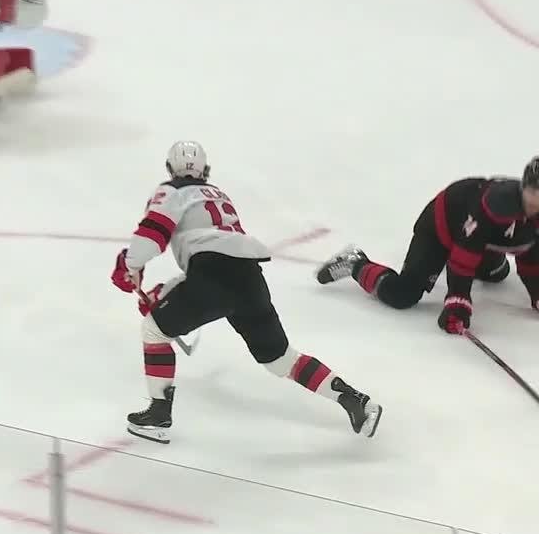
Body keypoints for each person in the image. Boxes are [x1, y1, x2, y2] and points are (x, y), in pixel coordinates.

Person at [111, 141, 383, 444]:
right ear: (205, 169)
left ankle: (158, 415)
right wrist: (164, 292)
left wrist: (130, 264)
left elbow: (154, 236)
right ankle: (356, 400)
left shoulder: (171, 191)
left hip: (211, 275)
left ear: (169, 168)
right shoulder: (218, 195)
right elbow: (219, 255)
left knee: (155, 330)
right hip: (249, 277)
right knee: (281, 359)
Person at [315, 156, 539, 334]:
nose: (537, 200)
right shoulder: (496, 205)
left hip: (481, 240)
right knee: (403, 295)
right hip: (441, 229)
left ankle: (485, 266)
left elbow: (531, 262)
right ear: (523, 187)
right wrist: (458, 301)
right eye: (533, 191)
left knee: (497, 274)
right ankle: (355, 263)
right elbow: (463, 257)